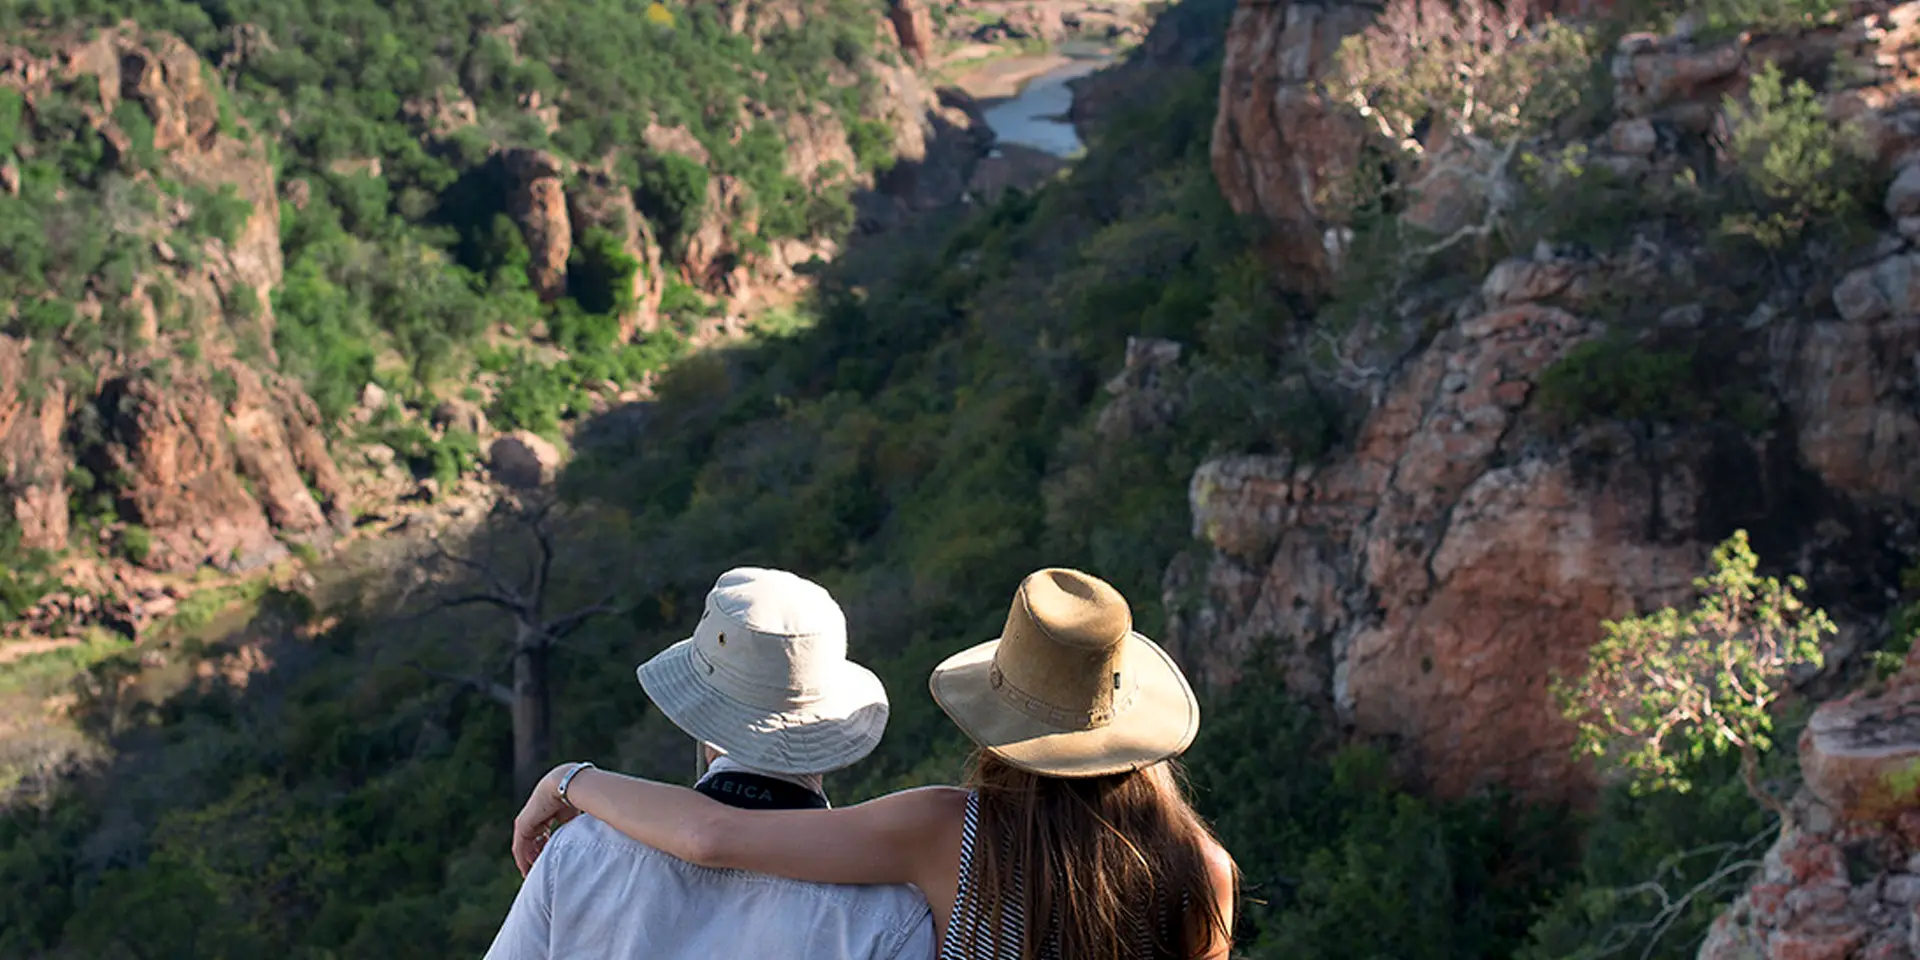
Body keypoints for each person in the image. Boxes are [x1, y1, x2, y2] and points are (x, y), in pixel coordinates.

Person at [515, 567, 1239, 959]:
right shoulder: (1202, 868)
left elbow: (714, 838)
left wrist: (571, 781)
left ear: (1000, 732)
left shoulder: (951, 834)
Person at [484, 567, 935, 960]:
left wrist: (570, 780)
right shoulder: (892, 918)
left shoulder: (579, 852)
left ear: (702, 713)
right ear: (825, 730)